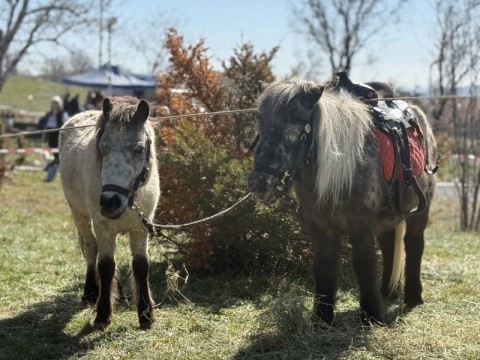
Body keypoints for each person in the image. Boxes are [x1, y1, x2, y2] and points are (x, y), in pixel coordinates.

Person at [38, 96, 69, 182]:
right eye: (53, 103)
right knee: (49, 150)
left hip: (58, 134)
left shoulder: (63, 113)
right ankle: (52, 165)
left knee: (57, 152)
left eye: (56, 103)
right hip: (50, 134)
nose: (54, 105)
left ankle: (56, 166)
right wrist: (45, 134)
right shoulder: (50, 113)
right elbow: (46, 124)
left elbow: (66, 124)